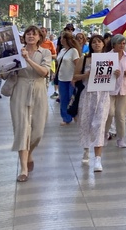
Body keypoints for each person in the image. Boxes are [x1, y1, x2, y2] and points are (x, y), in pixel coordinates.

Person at [9, 26, 52, 181]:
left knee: (38, 131)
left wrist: (27, 59)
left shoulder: (45, 52)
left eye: (34, 34)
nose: (31, 36)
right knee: (22, 129)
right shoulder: (16, 52)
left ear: (40, 37)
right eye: (28, 34)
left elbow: (44, 72)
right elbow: (2, 74)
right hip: (20, 89)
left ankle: (29, 153)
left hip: (39, 89)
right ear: (24, 37)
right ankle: (23, 169)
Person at [72, 34, 110, 172]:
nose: (97, 44)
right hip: (87, 94)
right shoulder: (84, 59)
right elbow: (75, 76)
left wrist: (116, 74)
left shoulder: (109, 58)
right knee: (86, 123)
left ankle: (98, 159)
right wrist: (85, 75)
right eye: (94, 42)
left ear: (103, 44)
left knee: (99, 125)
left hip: (103, 95)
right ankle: (86, 148)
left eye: (99, 42)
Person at [104, 34, 126, 147]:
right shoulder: (107, 56)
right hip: (109, 89)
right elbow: (102, 72)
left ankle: (121, 138)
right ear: (113, 44)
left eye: (123, 43)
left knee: (120, 115)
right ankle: (105, 134)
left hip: (124, 88)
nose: (122, 45)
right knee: (109, 113)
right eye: (119, 43)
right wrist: (111, 73)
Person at [56, 31, 81, 125]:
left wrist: (75, 77)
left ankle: (75, 115)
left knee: (72, 98)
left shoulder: (73, 51)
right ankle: (66, 118)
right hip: (61, 78)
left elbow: (77, 65)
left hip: (71, 78)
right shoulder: (62, 50)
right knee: (63, 99)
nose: (61, 40)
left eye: (62, 38)